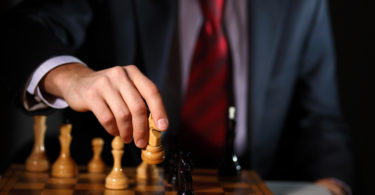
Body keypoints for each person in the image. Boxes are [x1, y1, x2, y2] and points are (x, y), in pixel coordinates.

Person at [0, 0, 353, 194]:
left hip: (252, 179)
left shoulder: (302, 5)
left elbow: (320, 119)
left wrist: (330, 186)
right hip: (120, 180)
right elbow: (19, 29)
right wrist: (70, 76)